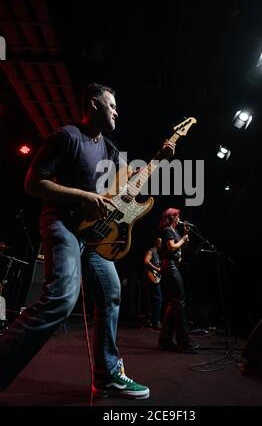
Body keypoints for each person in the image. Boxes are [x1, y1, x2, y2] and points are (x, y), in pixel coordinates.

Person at [0, 83, 175, 399]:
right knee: (62, 298)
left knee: (111, 292)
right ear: (94, 104)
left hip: (94, 236)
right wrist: (84, 196)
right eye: (112, 105)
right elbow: (33, 183)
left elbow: (130, 187)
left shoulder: (108, 148)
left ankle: (107, 375)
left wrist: (160, 160)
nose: (116, 112)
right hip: (62, 224)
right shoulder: (67, 137)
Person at [158, 208, 200, 353]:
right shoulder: (167, 230)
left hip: (173, 266)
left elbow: (182, 248)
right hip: (169, 266)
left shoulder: (175, 231)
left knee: (173, 303)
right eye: (177, 215)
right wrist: (182, 239)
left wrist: (186, 234)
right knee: (179, 302)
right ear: (172, 217)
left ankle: (166, 340)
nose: (179, 218)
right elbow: (171, 247)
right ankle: (183, 342)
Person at [143, 237, 163, 330]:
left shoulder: (158, 254)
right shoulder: (151, 251)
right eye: (161, 243)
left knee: (151, 299)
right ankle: (156, 321)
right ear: (157, 243)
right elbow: (146, 261)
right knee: (158, 299)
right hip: (151, 277)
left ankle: (149, 321)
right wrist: (156, 269)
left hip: (155, 278)